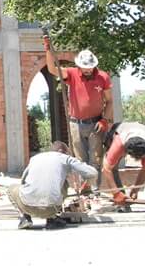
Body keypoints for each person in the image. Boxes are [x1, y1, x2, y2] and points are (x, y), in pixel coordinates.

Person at [44, 37, 113, 182]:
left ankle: (94, 191)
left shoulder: (103, 77)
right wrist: (48, 49)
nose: (88, 69)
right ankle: (84, 193)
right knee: (80, 161)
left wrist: (104, 120)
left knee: (96, 158)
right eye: (84, 67)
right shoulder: (72, 73)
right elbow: (52, 69)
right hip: (76, 124)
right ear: (79, 65)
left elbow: (109, 101)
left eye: (90, 67)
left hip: (96, 124)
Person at [8, 141, 98, 230]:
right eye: (67, 153)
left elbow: (23, 181)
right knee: (64, 184)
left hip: (27, 205)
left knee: (11, 189)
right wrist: (86, 187)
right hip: (52, 208)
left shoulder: (35, 158)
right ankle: (52, 218)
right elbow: (93, 173)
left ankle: (24, 217)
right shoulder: (65, 158)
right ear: (61, 151)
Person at [100, 121, 145, 211]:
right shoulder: (119, 143)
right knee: (112, 168)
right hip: (121, 131)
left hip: (144, 131)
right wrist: (116, 193)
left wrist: (135, 190)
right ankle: (122, 203)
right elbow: (106, 169)